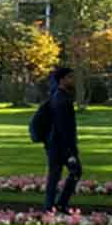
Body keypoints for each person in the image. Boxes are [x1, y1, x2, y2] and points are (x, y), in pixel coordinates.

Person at [41, 65, 81, 213]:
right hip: (61, 146)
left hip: (55, 144)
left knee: (55, 175)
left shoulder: (58, 96)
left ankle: (53, 206)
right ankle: (57, 205)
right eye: (70, 77)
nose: (73, 80)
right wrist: (70, 152)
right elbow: (64, 128)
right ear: (62, 80)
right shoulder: (61, 99)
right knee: (74, 172)